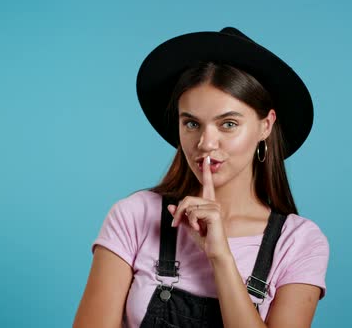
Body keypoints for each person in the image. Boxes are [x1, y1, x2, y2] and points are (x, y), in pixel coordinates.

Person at [73, 27, 329, 328]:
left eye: (228, 124)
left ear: (265, 126)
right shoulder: (134, 216)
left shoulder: (298, 243)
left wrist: (220, 256)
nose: (206, 143)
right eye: (192, 123)